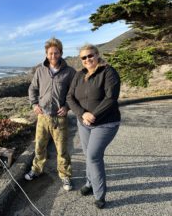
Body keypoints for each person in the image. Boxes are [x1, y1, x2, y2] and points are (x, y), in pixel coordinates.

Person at [66, 44, 120, 208]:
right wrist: (83, 113)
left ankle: (100, 195)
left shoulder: (108, 72)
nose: (87, 59)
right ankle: (90, 183)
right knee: (87, 154)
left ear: (97, 55)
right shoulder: (79, 75)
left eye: (90, 55)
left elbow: (111, 98)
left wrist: (93, 115)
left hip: (106, 123)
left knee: (93, 156)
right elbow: (69, 97)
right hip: (84, 123)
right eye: (84, 57)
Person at [25, 37, 76, 191]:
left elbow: (74, 93)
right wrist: (34, 104)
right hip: (42, 117)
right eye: (50, 53)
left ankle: (65, 176)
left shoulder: (70, 72)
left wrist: (67, 106)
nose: (53, 56)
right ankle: (36, 169)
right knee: (39, 146)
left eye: (56, 53)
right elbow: (32, 89)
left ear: (61, 53)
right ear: (46, 54)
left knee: (62, 150)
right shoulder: (40, 71)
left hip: (59, 118)